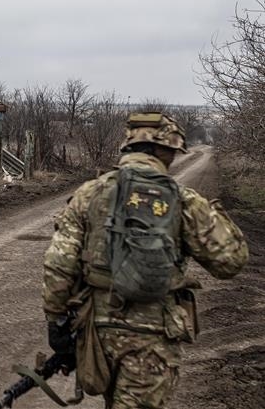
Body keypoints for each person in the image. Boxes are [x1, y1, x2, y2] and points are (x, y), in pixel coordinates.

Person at [42, 112, 248, 408]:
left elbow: (59, 262)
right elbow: (231, 261)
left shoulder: (89, 193)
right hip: (153, 336)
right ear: (166, 152)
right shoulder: (183, 199)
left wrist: (57, 321)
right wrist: (217, 215)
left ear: (128, 147)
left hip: (99, 331)